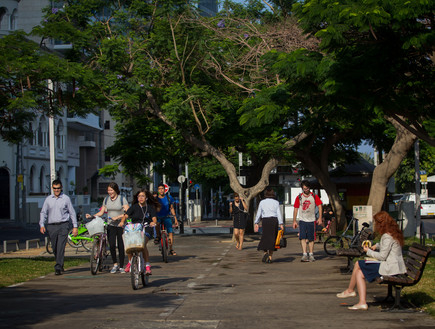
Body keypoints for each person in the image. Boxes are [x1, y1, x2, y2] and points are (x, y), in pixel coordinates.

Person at [336, 211, 406, 310]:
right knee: (359, 273)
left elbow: (382, 256)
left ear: (381, 224)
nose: (376, 226)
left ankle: (350, 290)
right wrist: (376, 246)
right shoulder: (393, 232)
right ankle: (362, 302)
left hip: (390, 267)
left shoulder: (387, 236)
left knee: (358, 263)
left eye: (377, 223)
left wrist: (368, 251)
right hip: (394, 266)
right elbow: (386, 246)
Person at [86, 182, 129, 274]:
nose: (110, 192)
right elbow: (101, 212)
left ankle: (121, 266)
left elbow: (128, 212)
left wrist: (118, 217)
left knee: (121, 246)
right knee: (112, 245)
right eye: (108, 190)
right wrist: (92, 216)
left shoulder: (122, 199)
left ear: (115, 190)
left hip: (120, 225)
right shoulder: (106, 200)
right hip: (110, 225)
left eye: (111, 190)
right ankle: (115, 264)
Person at [39, 179, 78, 275]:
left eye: (58, 188)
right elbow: (43, 212)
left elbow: (72, 213)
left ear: (61, 188)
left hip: (63, 225)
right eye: (55, 188)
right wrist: (42, 224)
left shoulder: (66, 199)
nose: (56, 190)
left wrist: (75, 226)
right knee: (55, 247)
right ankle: (60, 263)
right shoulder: (48, 199)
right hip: (51, 226)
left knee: (61, 246)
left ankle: (58, 267)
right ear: (52, 188)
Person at [124, 189, 160, 274]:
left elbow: (154, 218)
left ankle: (147, 265)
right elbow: (125, 215)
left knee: (143, 244)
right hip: (135, 228)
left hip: (146, 228)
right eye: (139, 196)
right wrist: (122, 222)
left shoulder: (150, 208)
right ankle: (130, 262)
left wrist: (153, 222)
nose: (141, 198)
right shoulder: (134, 207)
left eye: (143, 196)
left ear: (146, 198)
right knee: (129, 244)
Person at [292, 180, 323, 262]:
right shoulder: (299, 197)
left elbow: (320, 206)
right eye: (304, 189)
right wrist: (294, 220)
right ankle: (304, 254)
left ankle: (311, 254)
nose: (306, 190)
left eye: (307, 188)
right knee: (302, 237)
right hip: (302, 220)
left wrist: (320, 218)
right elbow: (295, 209)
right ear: (302, 188)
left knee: (311, 238)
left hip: (312, 220)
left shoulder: (314, 196)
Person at [254, 187, 284, 263]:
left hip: (265, 221)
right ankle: (270, 257)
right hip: (274, 221)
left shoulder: (262, 202)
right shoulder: (276, 202)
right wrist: (281, 223)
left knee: (265, 237)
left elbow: (259, 213)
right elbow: (278, 214)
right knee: (272, 239)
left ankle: (265, 253)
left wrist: (256, 222)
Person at [155, 183, 179, 255]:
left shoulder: (169, 197)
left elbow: (171, 208)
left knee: (170, 232)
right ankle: (158, 236)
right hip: (158, 217)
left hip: (167, 216)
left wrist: (175, 218)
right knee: (157, 223)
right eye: (159, 189)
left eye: (162, 189)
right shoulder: (155, 199)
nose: (161, 190)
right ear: (158, 190)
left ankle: (171, 249)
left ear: (164, 190)